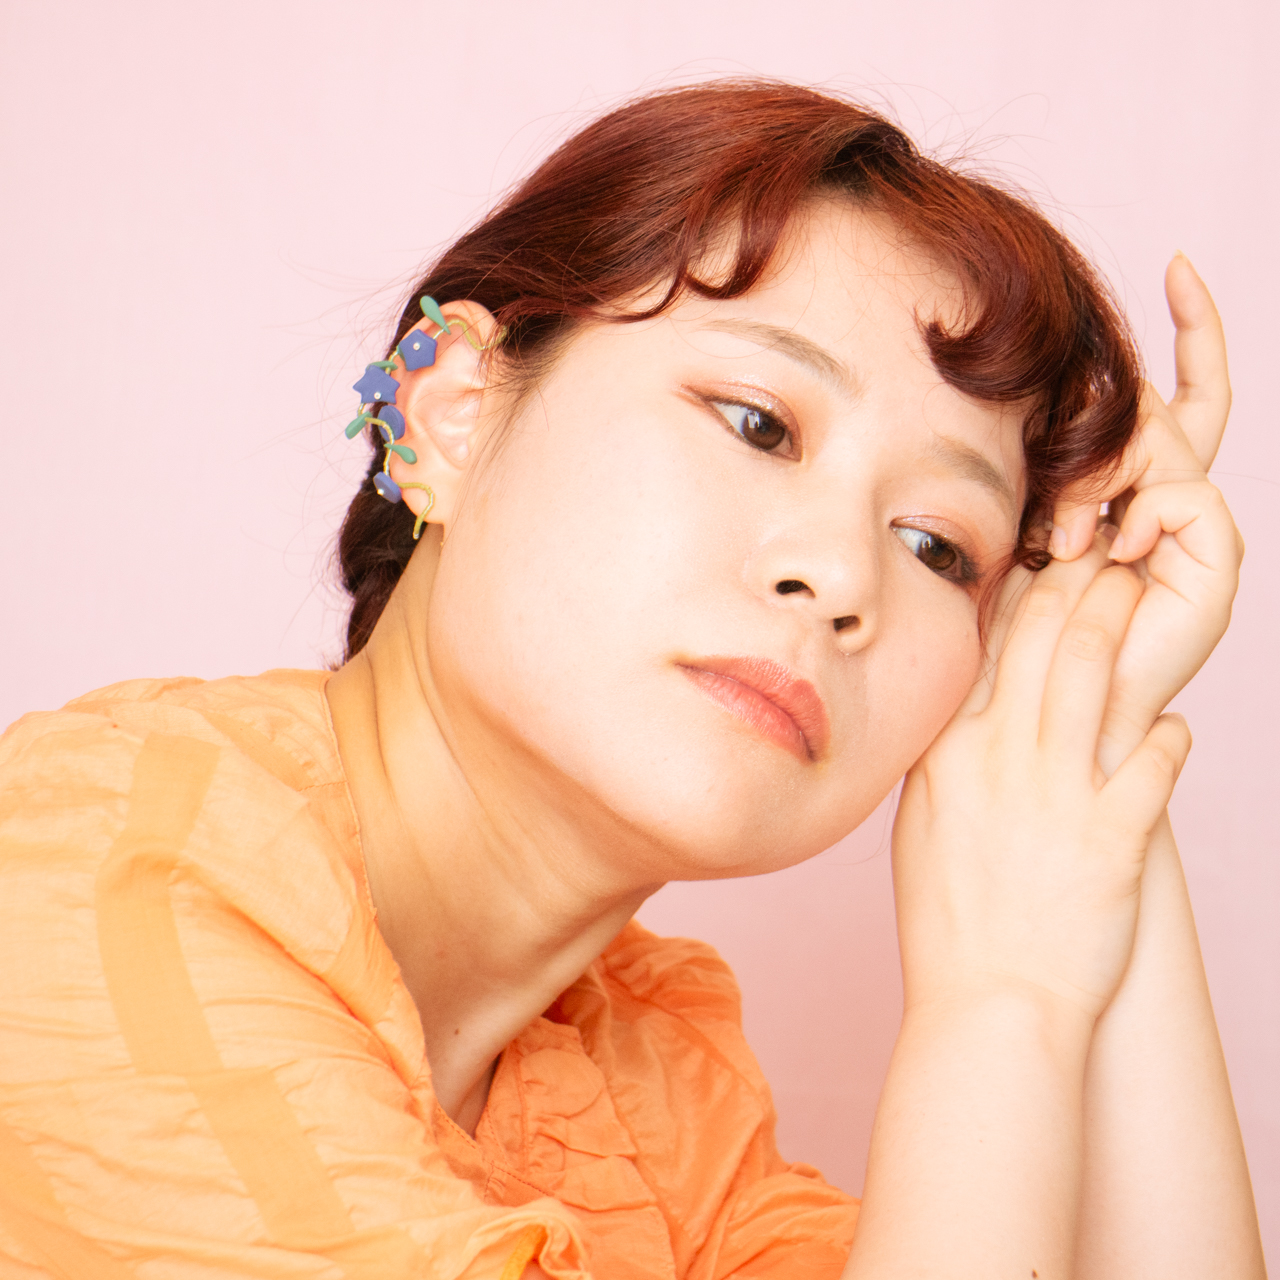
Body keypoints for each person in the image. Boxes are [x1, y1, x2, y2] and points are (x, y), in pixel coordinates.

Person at [0, 80, 1263, 1280]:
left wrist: (1084, 693)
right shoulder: (92, 877)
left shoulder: (645, 1088)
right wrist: (1002, 996)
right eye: (759, 423)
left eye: (936, 545)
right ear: (452, 408)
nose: (839, 575)